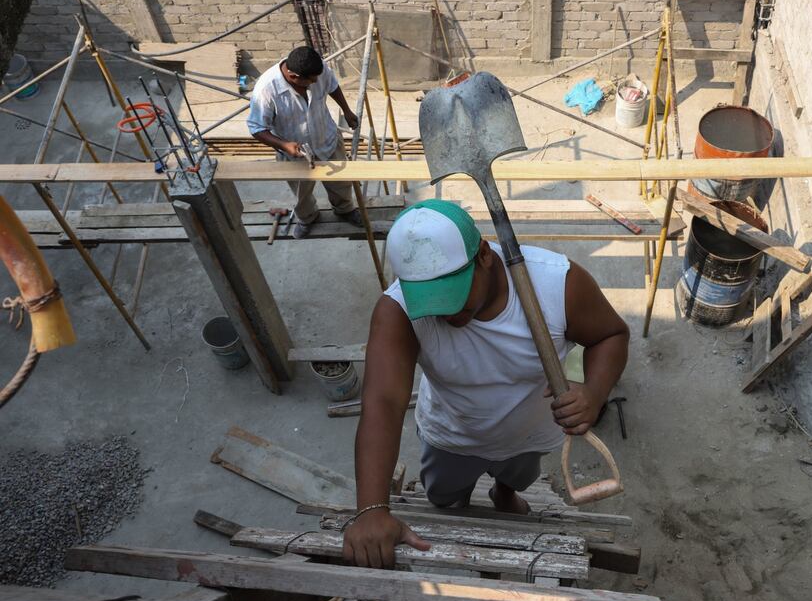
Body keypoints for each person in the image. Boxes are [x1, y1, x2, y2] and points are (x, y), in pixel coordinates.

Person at [343, 200, 630, 568]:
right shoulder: (397, 309)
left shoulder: (558, 284)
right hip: (451, 435)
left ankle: (503, 494)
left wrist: (594, 392)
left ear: (484, 256)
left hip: (530, 433)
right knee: (445, 496)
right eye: (431, 300)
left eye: (453, 295)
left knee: (519, 477)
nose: (445, 312)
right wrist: (371, 509)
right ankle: (460, 503)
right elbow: (382, 401)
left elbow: (611, 335)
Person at [247, 45, 363, 239]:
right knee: (302, 193)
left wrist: (347, 111)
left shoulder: (316, 69)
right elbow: (256, 128)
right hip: (295, 154)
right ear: (294, 76)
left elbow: (332, 86)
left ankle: (345, 210)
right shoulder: (266, 90)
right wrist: (284, 145)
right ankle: (308, 218)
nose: (316, 81)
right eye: (312, 80)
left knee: (341, 182)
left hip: (326, 137)